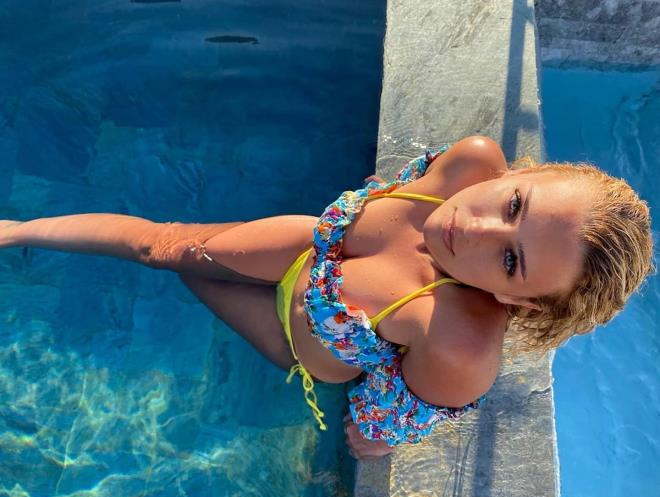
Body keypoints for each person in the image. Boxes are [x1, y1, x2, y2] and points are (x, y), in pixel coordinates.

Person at [0, 136, 653, 459]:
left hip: (293, 334)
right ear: (527, 173)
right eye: (514, 205)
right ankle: (18, 230)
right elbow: (398, 189)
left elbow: (390, 416)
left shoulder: (459, 341)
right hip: (304, 248)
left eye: (510, 260)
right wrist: (383, 196)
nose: (475, 228)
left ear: (525, 303)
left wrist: (373, 435)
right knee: (162, 247)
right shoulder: (469, 163)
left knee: (191, 278)